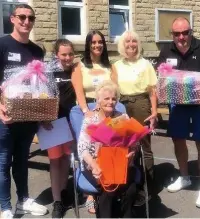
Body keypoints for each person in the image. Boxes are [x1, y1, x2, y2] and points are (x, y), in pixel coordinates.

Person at [0, 4, 48, 218]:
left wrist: (42, 111)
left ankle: (24, 199)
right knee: (3, 161)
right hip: (5, 116)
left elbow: (41, 84)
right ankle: (4, 207)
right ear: (13, 19)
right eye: (22, 17)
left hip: (28, 116)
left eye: (30, 18)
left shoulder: (37, 51)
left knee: (21, 159)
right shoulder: (2, 44)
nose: (26, 22)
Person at [77, 80, 138, 218]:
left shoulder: (122, 117)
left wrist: (133, 152)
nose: (110, 102)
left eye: (113, 98)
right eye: (106, 98)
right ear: (98, 100)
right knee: (108, 190)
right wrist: (94, 166)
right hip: (96, 165)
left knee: (131, 190)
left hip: (120, 165)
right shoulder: (90, 119)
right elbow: (82, 148)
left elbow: (134, 143)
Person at [72, 30, 117, 213]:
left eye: (100, 42)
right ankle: (90, 193)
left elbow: (114, 90)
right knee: (88, 147)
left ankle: (113, 178)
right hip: (87, 110)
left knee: (109, 145)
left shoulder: (110, 66)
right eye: (93, 42)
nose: (97, 45)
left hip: (107, 106)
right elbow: (79, 91)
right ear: (88, 45)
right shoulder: (79, 66)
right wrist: (86, 112)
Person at [157, 17, 200, 207]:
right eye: (177, 33)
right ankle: (184, 176)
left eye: (185, 32)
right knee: (178, 140)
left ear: (191, 31)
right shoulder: (166, 50)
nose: (181, 37)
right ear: (172, 34)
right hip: (177, 105)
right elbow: (161, 75)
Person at [113, 30, 158, 206]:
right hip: (122, 105)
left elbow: (152, 90)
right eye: (127, 41)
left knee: (144, 146)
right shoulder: (116, 65)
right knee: (123, 146)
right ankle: (126, 185)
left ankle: (148, 188)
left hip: (141, 104)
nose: (131, 44)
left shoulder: (145, 64)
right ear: (122, 45)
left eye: (134, 41)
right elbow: (114, 90)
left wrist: (154, 112)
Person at [39, 39, 76, 218]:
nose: (67, 57)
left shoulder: (76, 69)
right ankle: (57, 201)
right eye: (63, 54)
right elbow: (40, 94)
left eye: (70, 54)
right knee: (55, 161)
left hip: (71, 122)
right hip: (52, 123)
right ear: (56, 55)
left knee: (66, 158)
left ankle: (63, 191)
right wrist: (43, 118)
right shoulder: (48, 71)